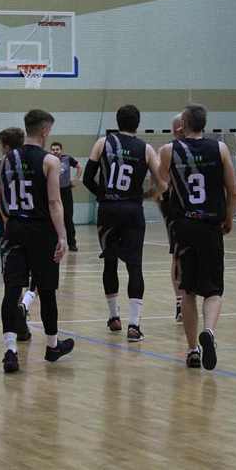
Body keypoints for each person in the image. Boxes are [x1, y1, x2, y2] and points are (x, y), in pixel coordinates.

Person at [158, 104, 236, 370]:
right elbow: (233, 192)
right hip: (211, 226)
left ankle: (193, 349)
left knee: (188, 291)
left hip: (184, 226)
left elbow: (160, 187)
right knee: (213, 291)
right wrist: (229, 218)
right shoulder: (220, 149)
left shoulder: (169, 150)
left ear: (182, 124)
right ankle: (210, 332)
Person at [0, 109, 74, 373]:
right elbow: (54, 202)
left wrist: (10, 225)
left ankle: (10, 351)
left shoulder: (5, 160)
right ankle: (52, 346)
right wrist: (62, 236)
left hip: (14, 227)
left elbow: (1, 200)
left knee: (11, 290)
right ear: (44, 130)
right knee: (47, 290)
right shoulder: (50, 161)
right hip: (42, 231)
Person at [83, 105, 163, 342]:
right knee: (135, 266)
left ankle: (113, 317)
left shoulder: (102, 143)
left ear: (117, 121)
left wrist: (104, 195)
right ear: (138, 123)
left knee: (110, 263)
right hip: (132, 210)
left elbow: (87, 178)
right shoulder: (146, 149)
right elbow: (162, 183)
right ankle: (134, 325)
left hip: (108, 210)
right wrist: (147, 195)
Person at [0, 127, 32, 342]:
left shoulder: (0, 165)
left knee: (12, 280)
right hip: (33, 224)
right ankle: (24, 312)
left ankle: (18, 320)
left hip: (9, 225)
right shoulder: (36, 163)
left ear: (6, 145)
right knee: (35, 278)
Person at [158, 114, 186, 322]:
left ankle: (198, 298)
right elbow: (159, 184)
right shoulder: (168, 151)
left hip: (202, 214)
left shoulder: (208, 148)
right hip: (178, 213)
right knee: (178, 257)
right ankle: (180, 303)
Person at [50, 142, 82, 251]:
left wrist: (75, 180)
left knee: (68, 218)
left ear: (61, 150)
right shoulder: (48, 159)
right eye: (53, 149)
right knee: (53, 218)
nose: (55, 151)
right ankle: (54, 243)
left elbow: (79, 167)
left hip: (66, 191)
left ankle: (72, 243)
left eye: (57, 149)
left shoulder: (67, 159)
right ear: (50, 151)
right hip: (53, 192)